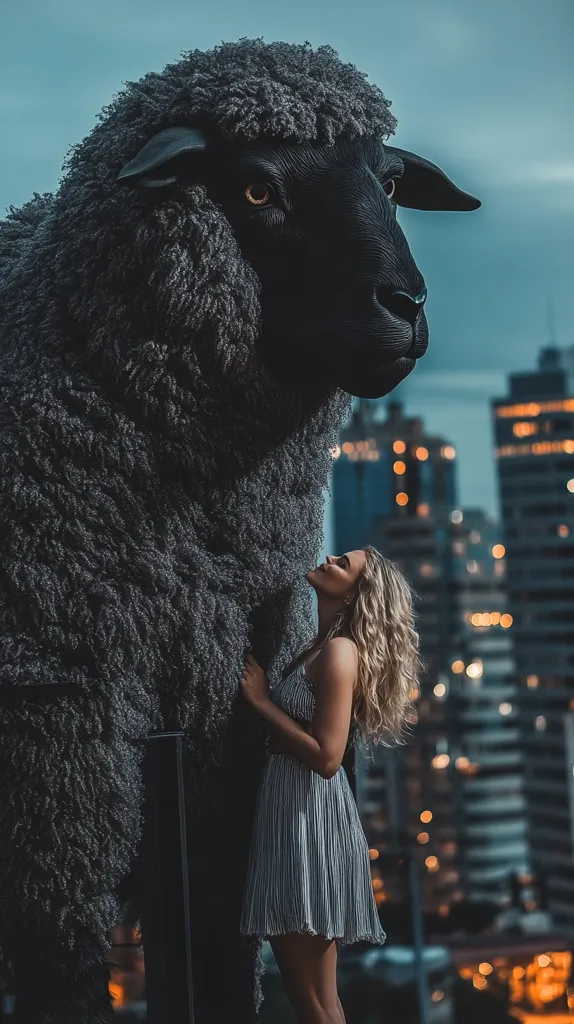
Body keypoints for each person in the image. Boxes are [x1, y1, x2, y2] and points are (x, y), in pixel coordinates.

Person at [239, 545, 421, 1024]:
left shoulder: (340, 652)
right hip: (291, 807)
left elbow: (328, 756)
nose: (331, 560)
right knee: (316, 997)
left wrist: (260, 702)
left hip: (308, 814)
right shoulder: (318, 646)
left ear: (358, 592)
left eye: (345, 565)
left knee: (314, 1000)